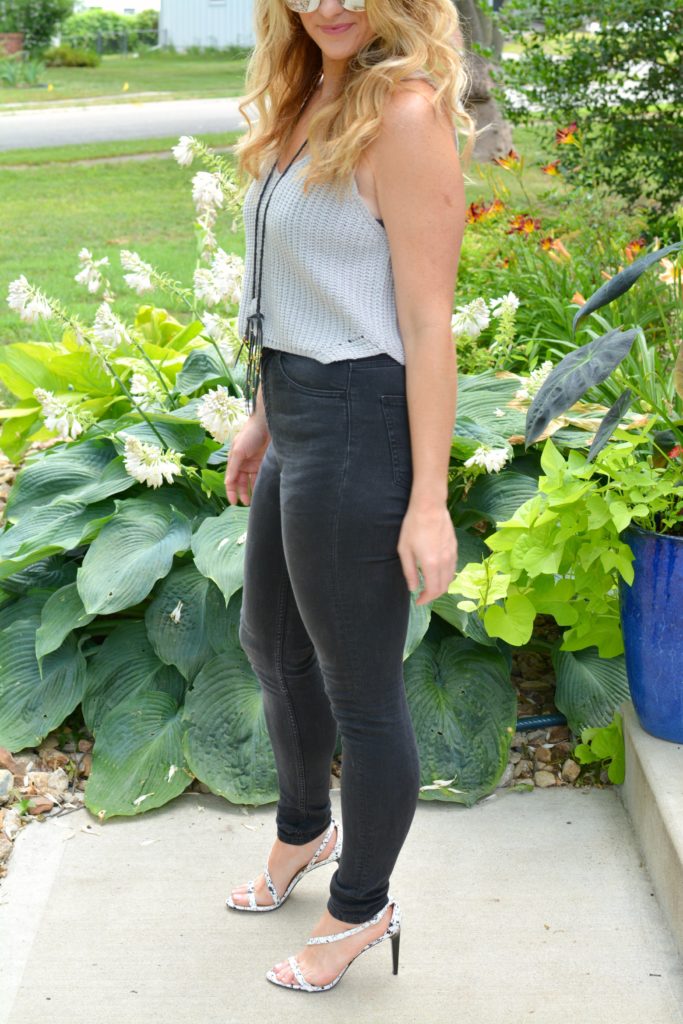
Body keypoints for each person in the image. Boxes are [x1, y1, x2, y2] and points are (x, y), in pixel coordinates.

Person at [223, 0, 474, 994]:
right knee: (270, 646)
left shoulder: (402, 114)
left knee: (358, 692)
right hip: (299, 408)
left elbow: (424, 321)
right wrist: (263, 413)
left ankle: (361, 905)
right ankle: (303, 831)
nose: (326, 2)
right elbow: (295, 283)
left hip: (362, 419)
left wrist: (427, 500)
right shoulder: (310, 93)